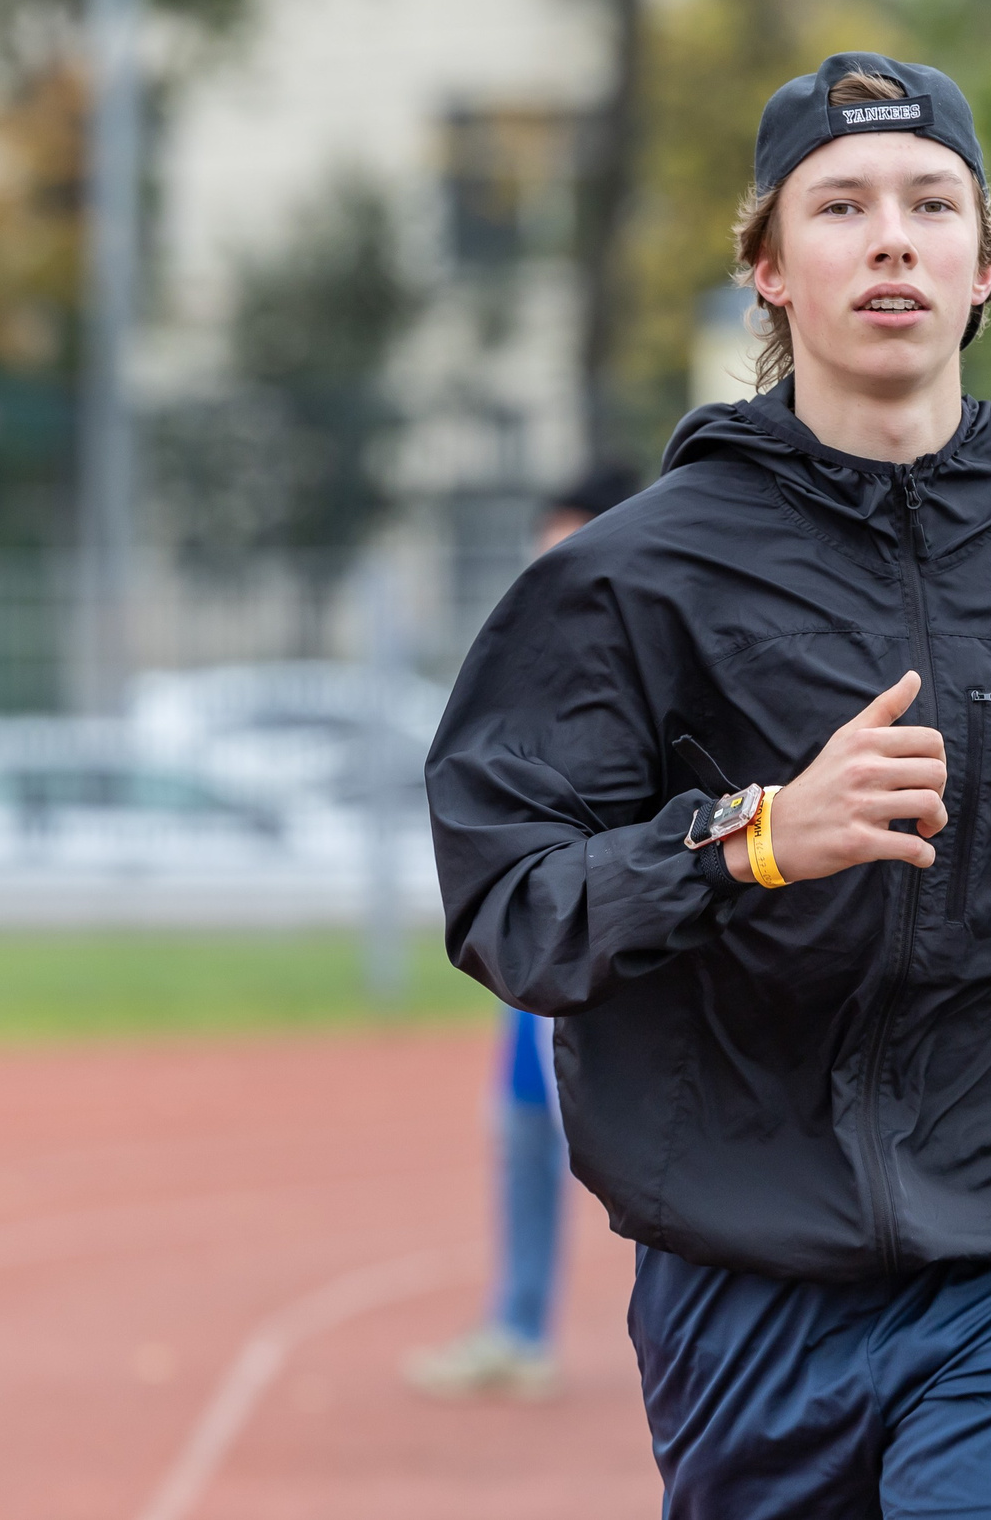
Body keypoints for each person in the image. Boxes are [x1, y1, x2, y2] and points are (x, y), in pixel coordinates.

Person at [427, 54, 991, 1516]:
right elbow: (510, 900)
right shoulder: (629, 579)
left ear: (982, 263)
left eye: (932, 202)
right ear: (769, 268)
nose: (893, 235)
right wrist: (747, 842)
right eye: (841, 206)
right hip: (742, 1275)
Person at [405, 465, 640, 1403]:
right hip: (556, 923)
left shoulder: (659, 653)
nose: (545, 573)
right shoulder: (536, 659)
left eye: (565, 550)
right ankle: (519, 1322)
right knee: (523, 1120)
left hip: (641, 924)